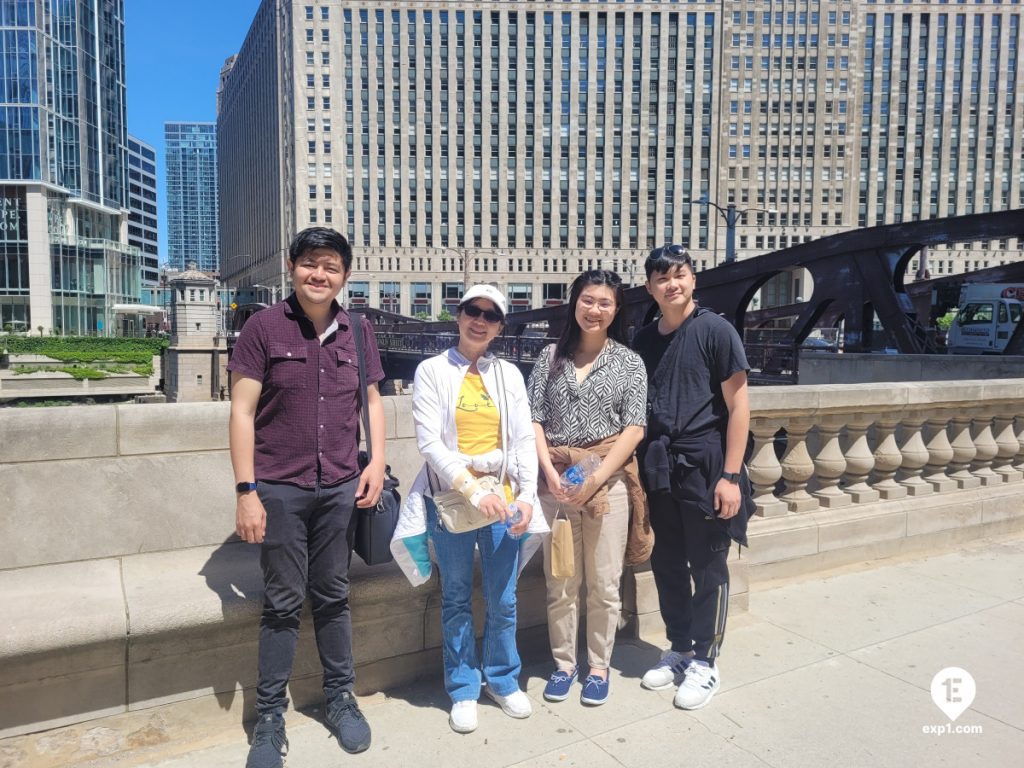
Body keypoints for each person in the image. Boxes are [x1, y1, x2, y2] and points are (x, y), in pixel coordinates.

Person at [228, 227, 385, 767]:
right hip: (280, 489)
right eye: (311, 264)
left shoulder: (357, 329)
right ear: (293, 266)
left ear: (345, 275)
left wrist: (378, 462)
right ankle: (270, 716)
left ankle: (341, 698)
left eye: (332, 266)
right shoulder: (262, 328)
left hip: (341, 485)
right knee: (282, 604)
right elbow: (242, 413)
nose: (320, 275)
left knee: (334, 595)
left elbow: (372, 400)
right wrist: (247, 491)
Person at [390, 284, 548, 735]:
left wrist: (527, 498)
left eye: (491, 316)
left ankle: (502, 678)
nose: (480, 321)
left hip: (504, 499)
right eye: (472, 311)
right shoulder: (432, 370)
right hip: (454, 500)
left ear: (499, 327)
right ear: (459, 316)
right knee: (456, 597)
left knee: (504, 598)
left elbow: (520, 441)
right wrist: (476, 492)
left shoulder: (509, 375)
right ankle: (462, 686)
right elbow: (430, 444)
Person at [631, 244, 751, 711]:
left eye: (679, 275)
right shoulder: (644, 340)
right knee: (667, 561)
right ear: (650, 288)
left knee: (708, 566)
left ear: (693, 280)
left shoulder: (715, 330)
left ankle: (706, 659)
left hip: (704, 462)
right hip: (658, 463)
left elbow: (739, 406)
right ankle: (679, 647)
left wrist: (731, 476)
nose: (671, 284)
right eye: (661, 278)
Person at [527, 269, 649, 707]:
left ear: (616, 311)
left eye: (605, 303)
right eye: (587, 300)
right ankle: (564, 664)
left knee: (604, 581)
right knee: (560, 580)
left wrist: (595, 478)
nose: (594, 309)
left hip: (608, 486)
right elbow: (534, 420)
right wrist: (551, 474)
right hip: (556, 484)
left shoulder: (629, 362)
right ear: (574, 302)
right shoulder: (549, 357)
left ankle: (598, 666)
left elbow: (634, 430)